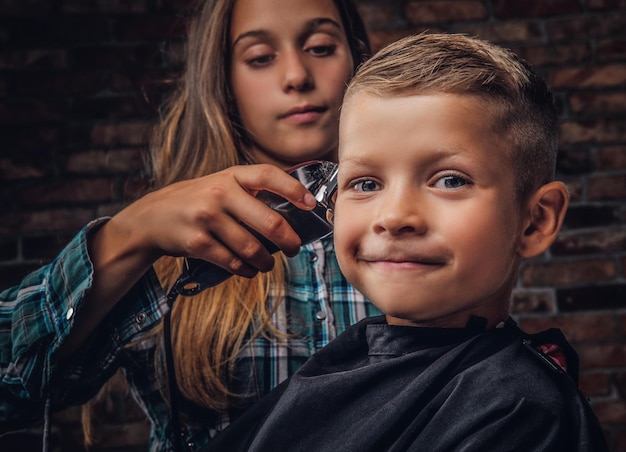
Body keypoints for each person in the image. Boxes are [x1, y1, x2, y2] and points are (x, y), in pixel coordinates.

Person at [0, 0, 381, 450]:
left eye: (320, 47)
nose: (296, 75)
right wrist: (128, 236)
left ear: (356, 58)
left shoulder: (423, 224)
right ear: (223, 80)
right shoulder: (164, 252)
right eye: (260, 57)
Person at [202, 33, 610, 451]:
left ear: (535, 221)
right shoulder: (344, 365)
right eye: (365, 183)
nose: (395, 216)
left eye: (450, 180)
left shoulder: (518, 413)